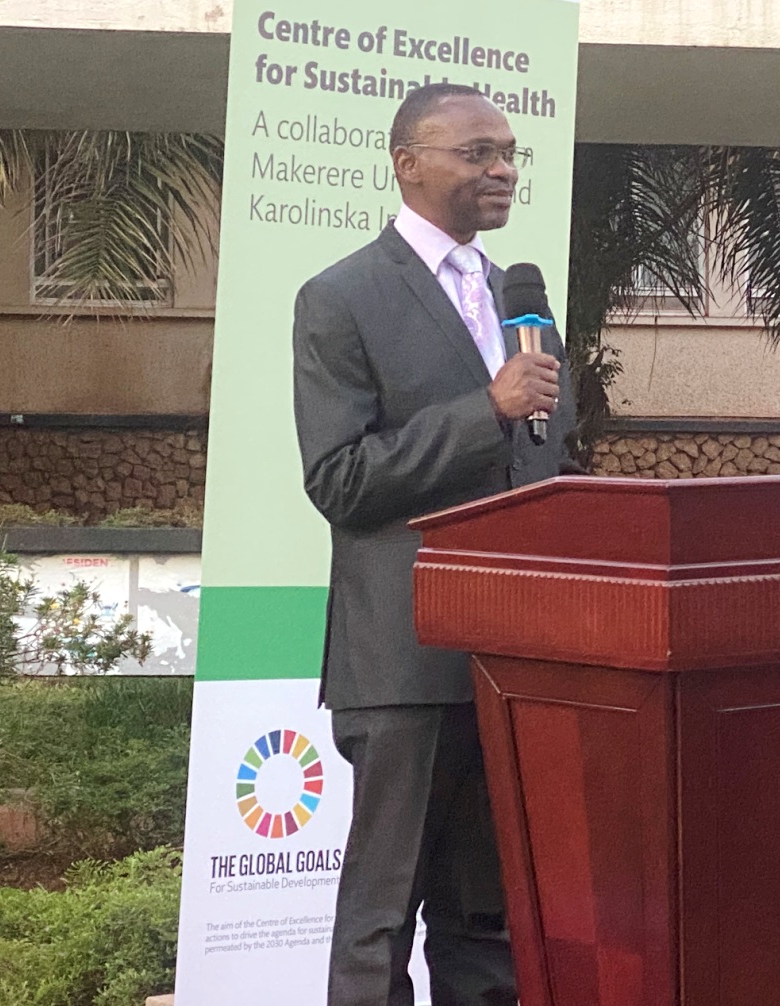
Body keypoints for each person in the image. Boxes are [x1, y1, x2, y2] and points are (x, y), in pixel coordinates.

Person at [292, 83, 575, 1006]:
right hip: (404, 666)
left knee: (486, 918)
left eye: (509, 153)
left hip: (508, 658)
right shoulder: (341, 298)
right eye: (478, 154)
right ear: (408, 163)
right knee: (382, 921)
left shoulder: (517, 299)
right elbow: (339, 480)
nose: (501, 171)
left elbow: (543, 467)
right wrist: (483, 411)